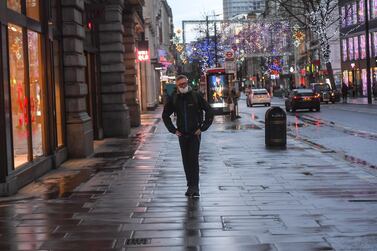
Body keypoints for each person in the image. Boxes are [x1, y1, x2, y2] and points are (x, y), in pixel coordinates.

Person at [162, 75, 214, 197]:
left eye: (185, 83)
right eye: (181, 84)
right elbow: (165, 115)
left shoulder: (196, 96)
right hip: (182, 134)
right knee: (186, 161)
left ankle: (195, 187)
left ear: (188, 83)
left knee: (193, 160)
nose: (183, 86)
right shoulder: (174, 98)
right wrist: (173, 130)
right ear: (177, 86)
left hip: (194, 134)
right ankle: (190, 186)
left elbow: (209, 110)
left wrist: (202, 128)